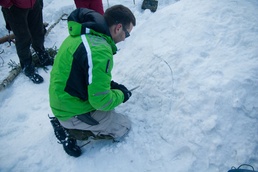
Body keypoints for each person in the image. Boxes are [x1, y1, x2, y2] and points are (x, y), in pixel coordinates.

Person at [49, 5, 136, 157]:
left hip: (62, 98)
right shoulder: (99, 50)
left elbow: (83, 73)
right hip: (71, 110)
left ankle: (65, 120)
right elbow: (101, 102)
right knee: (123, 126)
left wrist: (111, 85)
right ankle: (71, 130)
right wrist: (122, 95)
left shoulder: (83, 35)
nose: (124, 39)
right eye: (126, 34)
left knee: (109, 108)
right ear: (118, 28)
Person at [1, 0, 53, 84]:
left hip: (34, 3)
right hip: (15, 7)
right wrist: (8, 4)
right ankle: (27, 67)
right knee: (23, 38)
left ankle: (43, 56)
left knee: (38, 32)